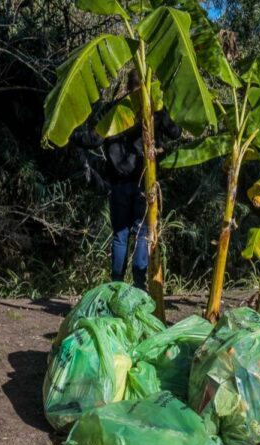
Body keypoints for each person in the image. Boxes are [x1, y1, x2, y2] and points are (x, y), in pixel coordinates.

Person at [72, 70, 181, 290]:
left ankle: (117, 286)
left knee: (120, 235)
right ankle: (139, 286)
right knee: (141, 233)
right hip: (144, 182)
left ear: (127, 87)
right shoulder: (155, 110)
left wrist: (70, 136)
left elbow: (93, 140)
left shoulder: (116, 111)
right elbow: (176, 132)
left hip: (119, 184)